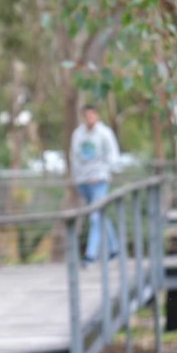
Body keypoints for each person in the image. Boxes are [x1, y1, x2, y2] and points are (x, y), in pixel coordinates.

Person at [70, 104, 121, 266]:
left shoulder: (105, 133)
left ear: (97, 116)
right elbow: (74, 157)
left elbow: (113, 156)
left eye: (92, 115)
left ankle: (90, 256)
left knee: (95, 217)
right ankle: (115, 249)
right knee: (100, 216)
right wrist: (77, 178)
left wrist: (104, 174)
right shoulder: (78, 135)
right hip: (83, 182)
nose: (89, 119)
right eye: (86, 116)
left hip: (99, 181)